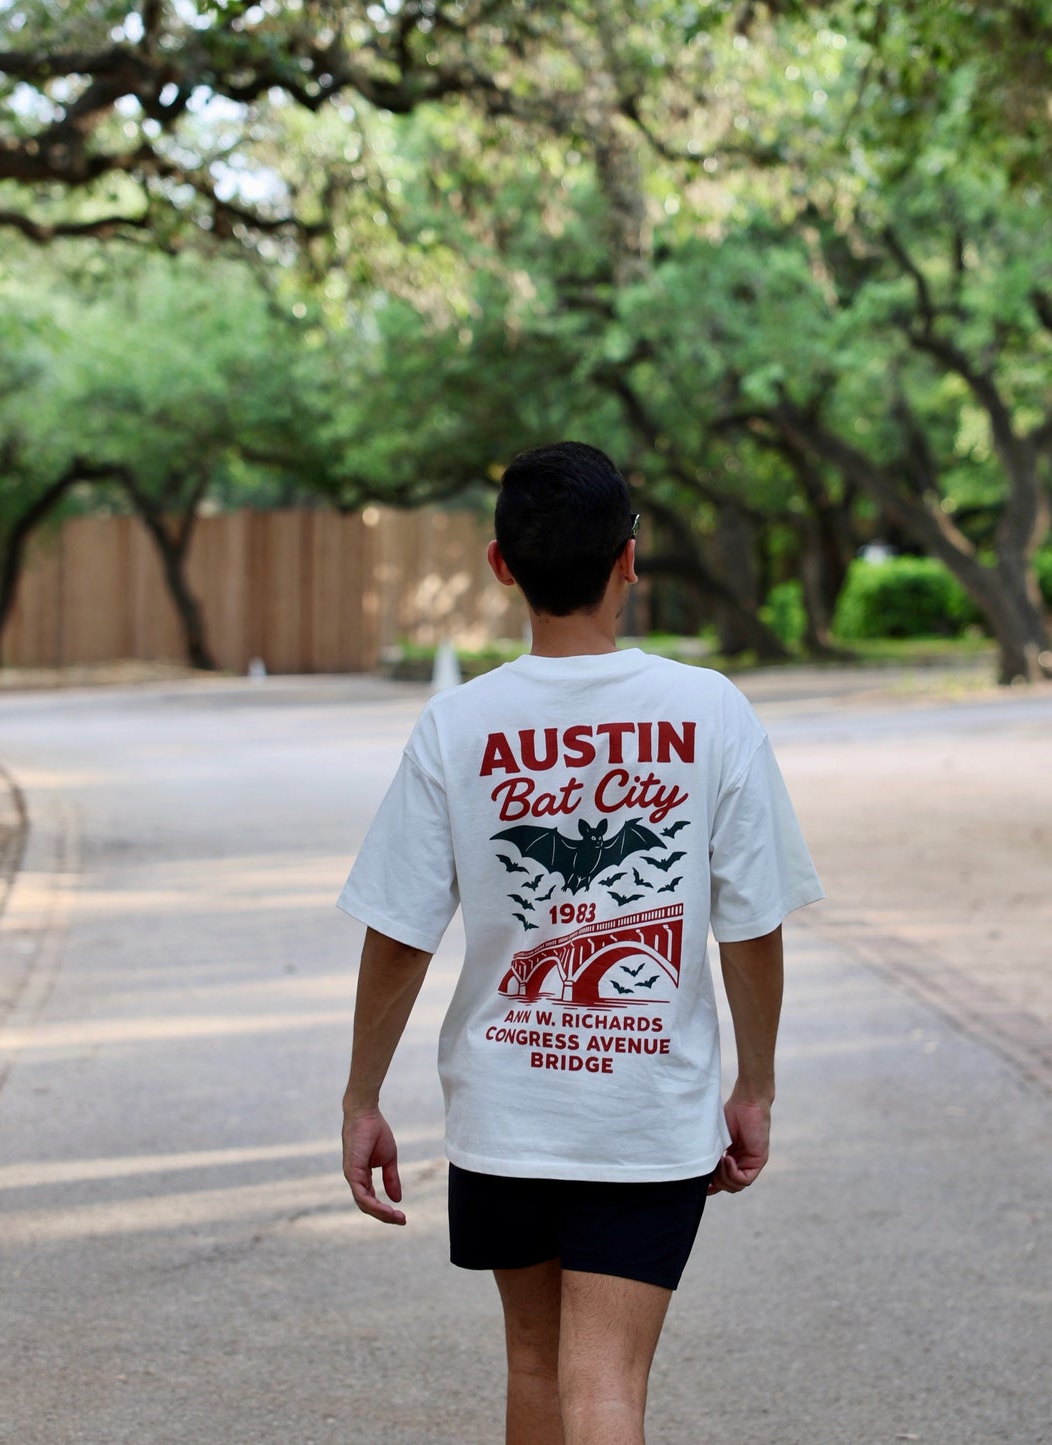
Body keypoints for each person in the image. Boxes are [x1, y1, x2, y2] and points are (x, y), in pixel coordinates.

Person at [338, 441, 823, 1444]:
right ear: (628, 560)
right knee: (603, 1378)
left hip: (506, 1112)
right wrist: (754, 1085)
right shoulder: (708, 711)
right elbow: (751, 922)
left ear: (499, 564)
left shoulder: (457, 725)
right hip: (642, 1114)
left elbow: (398, 932)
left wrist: (361, 1094)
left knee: (534, 1362)